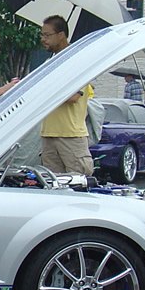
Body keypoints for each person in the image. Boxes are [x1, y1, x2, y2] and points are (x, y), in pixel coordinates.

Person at [38, 15, 94, 175]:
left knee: (78, 182)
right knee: (52, 185)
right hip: (48, 133)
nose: (43, 39)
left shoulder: (78, 61)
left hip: (71, 135)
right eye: (42, 35)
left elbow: (73, 97)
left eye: (47, 35)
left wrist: (46, 90)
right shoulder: (49, 62)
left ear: (61, 35)